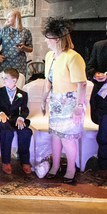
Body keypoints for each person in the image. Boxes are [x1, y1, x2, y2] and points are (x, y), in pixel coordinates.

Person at [40, 17, 87, 184]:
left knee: (68, 138)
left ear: (57, 39)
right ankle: (55, 166)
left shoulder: (74, 57)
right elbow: (48, 80)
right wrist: (43, 99)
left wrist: (79, 107)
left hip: (71, 102)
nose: (45, 41)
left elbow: (82, 84)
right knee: (56, 136)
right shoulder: (50, 55)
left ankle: (71, 169)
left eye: (48, 37)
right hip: (55, 102)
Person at [0, 68, 33, 175]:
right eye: (2, 78)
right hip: (1, 119)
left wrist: (21, 118)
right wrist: (1, 113)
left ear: (14, 81)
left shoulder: (23, 94)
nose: (3, 80)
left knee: (25, 131)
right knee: (6, 131)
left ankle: (25, 161)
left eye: (5, 78)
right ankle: (6, 161)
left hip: (15, 119)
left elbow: (24, 110)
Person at [87, 17, 107, 179]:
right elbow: (89, 67)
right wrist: (96, 74)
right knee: (104, 134)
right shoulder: (99, 46)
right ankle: (104, 165)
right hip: (104, 97)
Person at [0, 9, 33, 75]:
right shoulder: (2, 30)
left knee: (18, 82)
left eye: (10, 17)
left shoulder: (26, 32)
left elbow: (30, 48)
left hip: (19, 63)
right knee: (3, 82)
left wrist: (24, 47)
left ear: (16, 18)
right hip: (5, 62)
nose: (7, 19)